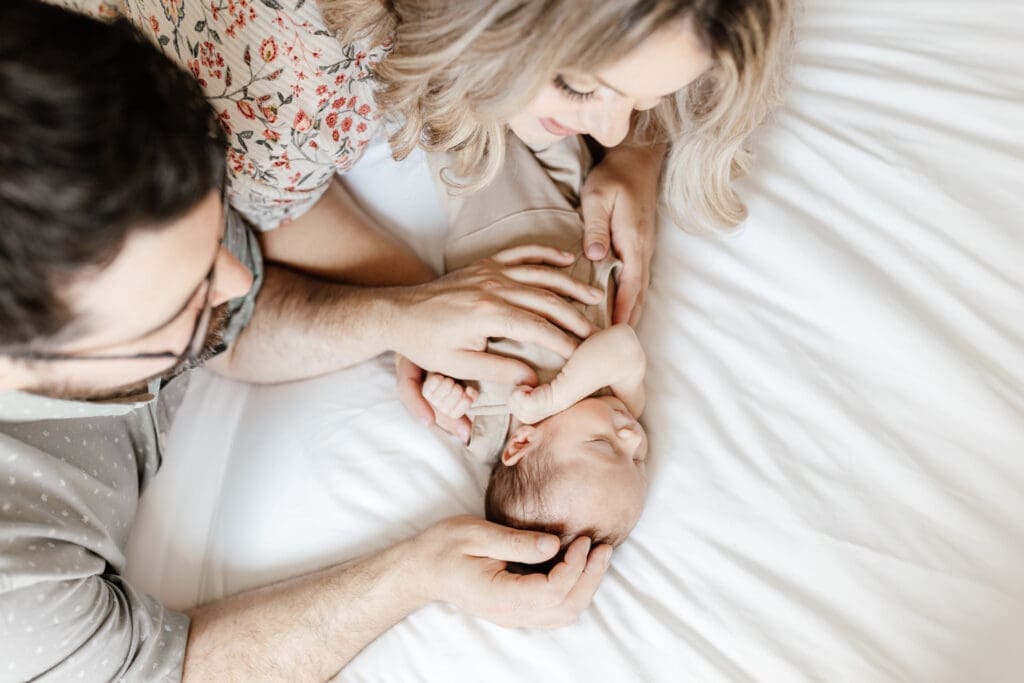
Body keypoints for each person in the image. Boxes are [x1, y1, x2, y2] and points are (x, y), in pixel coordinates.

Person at [0, 3, 612, 680]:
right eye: (180, 300)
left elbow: (235, 322)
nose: (238, 278)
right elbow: (172, 668)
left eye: (214, 236)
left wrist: (395, 313)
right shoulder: (16, 597)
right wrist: (419, 572)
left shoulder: (72, 133)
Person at [51, 0, 793, 422]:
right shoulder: (290, 92)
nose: (612, 130)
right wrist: (413, 299)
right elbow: (248, 253)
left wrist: (639, 155)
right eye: (580, 87)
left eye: (647, 100)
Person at [422, 132, 651, 558]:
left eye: (605, 447)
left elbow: (438, 347)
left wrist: (442, 393)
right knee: (539, 109)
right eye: (638, 459)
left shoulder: (481, 434)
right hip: (563, 197)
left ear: (520, 445)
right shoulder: (614, 397)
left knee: (451, 121)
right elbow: (623, 345)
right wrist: (552, 398)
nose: (632, 437)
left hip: (479, 205)